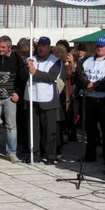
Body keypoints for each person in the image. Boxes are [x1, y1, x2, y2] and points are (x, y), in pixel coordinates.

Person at [74, 36, 105, 163]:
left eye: (102, 46)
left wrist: (95, 86)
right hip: (89, 99)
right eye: (98, 46)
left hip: (103, 100)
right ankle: (90, 154)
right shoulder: (87, 61)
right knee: (90, 128)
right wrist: (87, 84)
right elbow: (79, 77)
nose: (100, 48)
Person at [22, 37, 65, 165]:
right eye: (40, 45)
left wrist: (35, 72)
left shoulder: (56, 61)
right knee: (33, 129)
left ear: (49, 47)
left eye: (44, 45)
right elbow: (22, 76)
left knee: (49, 129)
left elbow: (52, 77)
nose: (41, 48)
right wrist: (27, 68)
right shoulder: (30, 59)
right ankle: (34, 153)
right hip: (32, 98)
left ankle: (50, 154)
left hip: (47, 99)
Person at [0, 35, 25, 163]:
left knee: (11, 126)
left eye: (3, 47)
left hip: (10, 97)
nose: (0, 49)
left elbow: (22, 77)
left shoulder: (16, 58)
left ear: (9, 47)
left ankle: (12, 152)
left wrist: (18, 93)